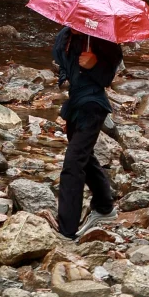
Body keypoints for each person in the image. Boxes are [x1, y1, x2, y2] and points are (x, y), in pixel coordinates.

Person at [51, 24, 123, 237]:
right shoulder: (64, 36)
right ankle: (104, 207)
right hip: (75, 105)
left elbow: (107, 78)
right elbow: (62, 63)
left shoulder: (102, 40)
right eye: (71, 23)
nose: (73, 27)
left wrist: (95, 64)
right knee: (84, 156)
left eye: (78, 24)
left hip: (93, 106)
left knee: (72, 165)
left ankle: (66, 231)